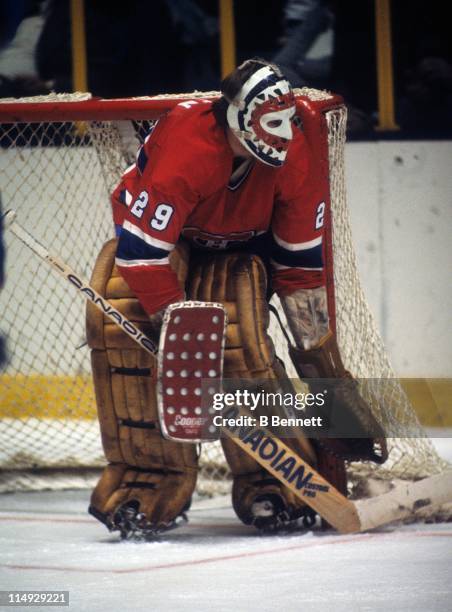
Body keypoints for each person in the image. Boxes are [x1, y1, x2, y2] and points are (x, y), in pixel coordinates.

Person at [87, 59, 386, 539]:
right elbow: (142, 257)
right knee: (124, 318)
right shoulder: (187, 146)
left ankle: (275, 482)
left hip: (244, 240)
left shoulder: (301, 139)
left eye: (287, 121)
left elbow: (299, 265)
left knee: (238, 336)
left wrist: (321, 369)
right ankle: (146, 480)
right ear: (236, 118)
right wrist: (180, 341)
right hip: (164, 246)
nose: (284, 133)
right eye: (272, 123)